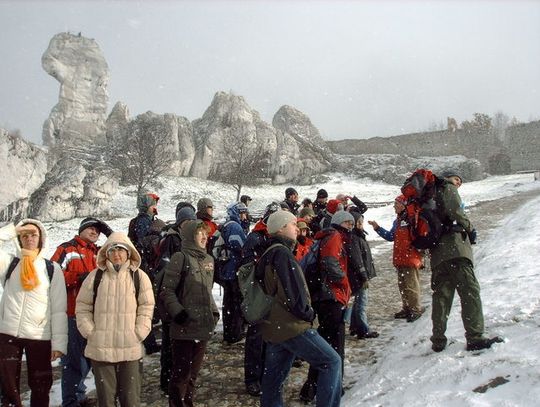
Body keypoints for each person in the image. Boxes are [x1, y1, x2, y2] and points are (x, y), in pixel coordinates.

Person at [258, 211, 341, 407]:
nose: (297, 228)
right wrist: (308, 313)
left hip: (274, 325)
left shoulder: (269, 251)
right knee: (331, 362)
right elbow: (294, 294)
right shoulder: (282, 253)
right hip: (290, 325)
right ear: (280, 228)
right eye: (293, 224)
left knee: (274, 380)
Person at [75, 232, 154, 407]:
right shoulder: (95, 277)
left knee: (130, 399)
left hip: (130, 347)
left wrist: (139, 331)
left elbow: (146, 307)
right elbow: (82, 307)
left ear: (129, 253)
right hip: (101, 348)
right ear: (106, 253)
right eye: (112, 250)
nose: (117, 254)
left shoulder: (139, 277)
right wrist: (91, 332)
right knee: (106, 400)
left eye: (121, 250)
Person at [430, 170, 503, 352]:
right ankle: (475, 336)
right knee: (470, 291)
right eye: (457, 179)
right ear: (448, 178)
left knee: (441, 297)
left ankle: (438, 340)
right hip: (455, 249)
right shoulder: (447, 187)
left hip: (437, 252)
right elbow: (455, 211)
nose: (458, 183)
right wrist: (470, 228)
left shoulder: (430, 194)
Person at [0, 219, 67, 407]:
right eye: (25, 235)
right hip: (8, 333)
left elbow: (59, 309)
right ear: (19, 239)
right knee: (7, 385)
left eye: (34, 235)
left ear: (41, 238)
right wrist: (12, 231)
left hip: (40, 335)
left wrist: (58, 343)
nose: (29, 238)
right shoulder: (10, 264)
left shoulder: (51, 269)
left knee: (41, 384)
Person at [51, 217, 112, 407]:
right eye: (91, 229)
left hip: (97, 314)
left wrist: (109, 233)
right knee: (75, 360)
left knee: (93, 357)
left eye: (98, 230)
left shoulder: (101, 253)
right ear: (81, 229)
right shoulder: (67, 249)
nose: (95, 232)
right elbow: (52, 274)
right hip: (73, 313)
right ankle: (71, 401)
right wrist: (78, 278)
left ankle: (80, 395)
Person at [161, 220, 219, 407]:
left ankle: (188, 402)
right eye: (199, 233)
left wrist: (214, 312)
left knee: (193, 374)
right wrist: (178, 313)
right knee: (181, 374)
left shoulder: (209, 260)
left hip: (202, 325)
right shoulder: (180, 257)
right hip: (184, 327)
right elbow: (167, 290)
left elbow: (207, 291)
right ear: (189, 236)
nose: (204, 237)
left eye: (205, 233)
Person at [299, 210, 353, 403]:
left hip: (323, 297)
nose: (350, 227)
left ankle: (312, 387)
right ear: (339, 222)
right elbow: (330, 262)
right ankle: (331, 387)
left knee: (325, 342)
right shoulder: (335, 237)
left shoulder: (325, 237)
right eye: (348, 223)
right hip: (331, 297)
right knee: (333, 345)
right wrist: (344, 284)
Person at [155, 204, 197, 394]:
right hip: (172, 298)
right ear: (180, 224)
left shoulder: (189, 239)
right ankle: (168, 381)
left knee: (181, 343)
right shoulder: (173, 239)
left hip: (185, 297)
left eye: (192, 221)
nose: (189, 225)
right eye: (186, 221)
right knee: (170, 341)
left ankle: (179, 379)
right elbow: (166, 271)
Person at [240, 202, 280, 397]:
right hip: (258, 292)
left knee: (270, 336)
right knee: (256, 337)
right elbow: (247, 265)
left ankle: (265, 374)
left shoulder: (274, 238)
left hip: (273, 292)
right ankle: (253, 378)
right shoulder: (256, 237)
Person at [368, 195, 425, 322]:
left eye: (396, 204)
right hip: (401, 258)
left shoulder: (411, 219)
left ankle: (415, 309)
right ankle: (407, 308)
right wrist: (377, 228)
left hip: (410, 257)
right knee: (403, 285)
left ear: (403, 205)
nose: (394, 206)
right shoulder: (398, 220)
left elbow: (419, 237)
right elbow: (390, 236)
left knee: (411, 284)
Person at [128, 192, 163, 354]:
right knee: (145, 305)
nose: (156, 207)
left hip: (144, 267)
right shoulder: (143, 221)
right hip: (145, 269)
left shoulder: (143, 220)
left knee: (145, 304)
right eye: (153, 204)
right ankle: (148, 342)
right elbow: (145, 244)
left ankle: (148, 339)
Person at [219, 202, 249, 344]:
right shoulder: (234, 226)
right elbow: (241, 246)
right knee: (235, 303)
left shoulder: (228, 224)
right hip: (233, 269)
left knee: (229, 303)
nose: (244, 215)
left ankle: (229, 332)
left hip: (227, 269)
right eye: (242, 212)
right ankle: (234, 333)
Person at [348, 212, 379, 339]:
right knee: (361, 303)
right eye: (358, 223)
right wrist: (364, 276)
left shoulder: (358, 236)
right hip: (359, 276)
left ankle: (355, 327)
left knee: (358, 303)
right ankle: (363, 329)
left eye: (361, 222)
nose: (361, 225)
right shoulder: (355, 238)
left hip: (359, 275)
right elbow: (357, 259)